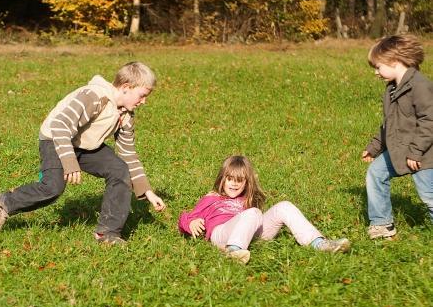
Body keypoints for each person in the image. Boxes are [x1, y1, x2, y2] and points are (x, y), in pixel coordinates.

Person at [0, 61, 166, 244]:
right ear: (126, 87)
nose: (144, 101)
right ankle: (4, 203)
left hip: (85, 146)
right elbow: (60, 125)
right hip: (55, 138)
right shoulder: (94, 96)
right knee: (52, 188)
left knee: (119, 169)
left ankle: (108, 233)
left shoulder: (125, 115)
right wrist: (70, 162)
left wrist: (147, 191)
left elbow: (128, 154)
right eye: (142, 95)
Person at [178, 155, 350, 264]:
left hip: (249, 234)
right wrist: (191, 222)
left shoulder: (246, 200)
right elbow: (186, 216)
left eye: (240, 180)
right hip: (221, 233)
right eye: (230, 179)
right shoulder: (213, 197)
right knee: (253, 212)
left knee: (284, 206)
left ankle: (319, 243)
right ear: (222, 179)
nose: (234, 183)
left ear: (247, 183)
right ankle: (233, 251)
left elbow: (253, 217)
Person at [362, 35, 433, 239]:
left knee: (429, 196)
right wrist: (375, 147)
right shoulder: (392, 89)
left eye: (378, 67)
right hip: (399, 149)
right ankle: (382, 224)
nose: (376, 72)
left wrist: (416, 151)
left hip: (424, 155)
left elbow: (430, 121)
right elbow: (390, 123)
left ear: (394, 61)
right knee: (376, 173)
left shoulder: (420, 86)